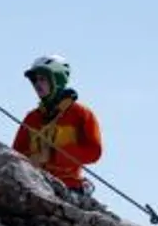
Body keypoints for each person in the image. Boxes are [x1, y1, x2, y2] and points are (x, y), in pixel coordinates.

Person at [14, 54, 104, 195]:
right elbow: (15, 154)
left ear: (57, 79)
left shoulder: (81, 113)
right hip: (35, 184)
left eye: (43, 79)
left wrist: (54, 154)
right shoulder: (31, 118)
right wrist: (33, 158)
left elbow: (94, 151)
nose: (37, 84)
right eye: (34, 80)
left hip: (69, 187)